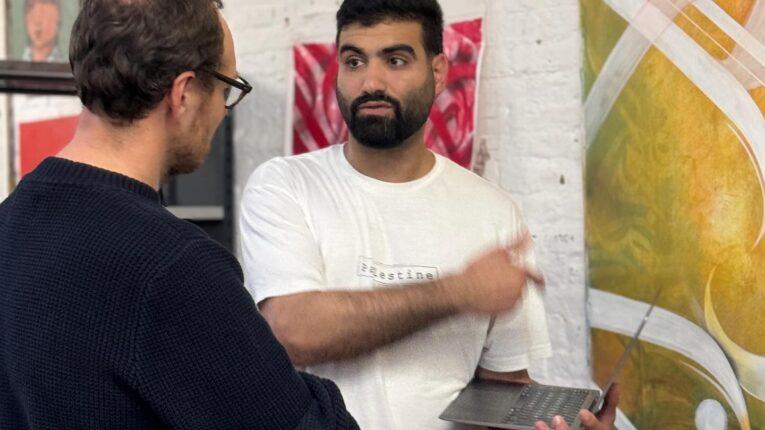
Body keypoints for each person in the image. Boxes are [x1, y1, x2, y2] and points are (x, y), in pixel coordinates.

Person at [240, 0, 617, 429]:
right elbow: (293, 332)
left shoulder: (494, 213)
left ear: (438, 72)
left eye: (395, 60)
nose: (370, 81)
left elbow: (503, 386)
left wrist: (557, 424)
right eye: (353, 60)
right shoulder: (285, 185)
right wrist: (458, 291)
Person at [0, 0, 358, 429]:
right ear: (184, 93)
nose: (223, 111)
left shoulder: (9, 222)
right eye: (226, 89)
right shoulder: (173, 269)